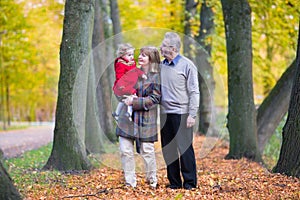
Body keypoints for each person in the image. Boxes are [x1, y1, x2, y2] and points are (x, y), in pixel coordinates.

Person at [116, 46, 161, 188]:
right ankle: (130, 182)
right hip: (126, 118)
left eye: (144, 55)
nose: (140, 57)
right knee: (125, 151)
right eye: (140, 54)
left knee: (147, 151)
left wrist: (134, 102)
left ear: (151, 59)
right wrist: (122, 95)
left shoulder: (157, 77)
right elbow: (118, 88)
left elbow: (155, 98)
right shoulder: (130, 71)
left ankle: (152, 180)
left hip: (146, 118)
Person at [159, 32, 200, 190]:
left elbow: (194, 91)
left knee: (184, 149)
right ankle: (174, 183)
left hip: (182, 114)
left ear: (173, 48)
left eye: (163, 45)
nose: (161, 48)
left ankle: (190, 183)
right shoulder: (161, 66)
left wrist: (192, 114)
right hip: (164, 114)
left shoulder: (187, 65)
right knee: (168, 150)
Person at [112, 43, 147, 121]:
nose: (132, 57)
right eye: (129, 55)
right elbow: (119, 76)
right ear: (122, 55)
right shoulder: (120, 64)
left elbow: (136, 70)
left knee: (124, 100)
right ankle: (129, 113)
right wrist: (121, 85)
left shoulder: (132, 62)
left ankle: (117, 113)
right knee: (131, 96)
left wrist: (142, 74)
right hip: (124, 86)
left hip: (130, 85)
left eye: (132, 54)